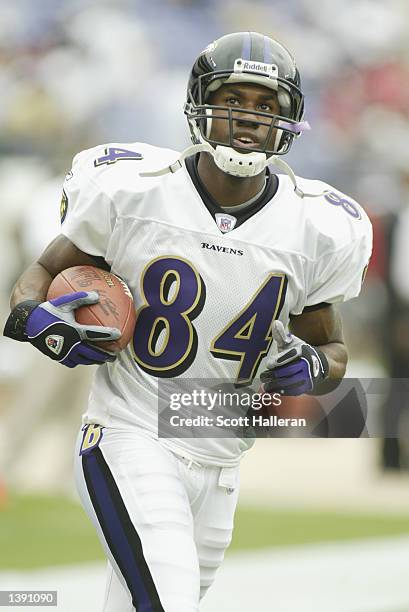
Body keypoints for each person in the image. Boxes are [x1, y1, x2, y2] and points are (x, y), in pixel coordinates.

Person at [3, 32, 372, 612]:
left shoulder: (320, 226)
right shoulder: (133, 189)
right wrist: (38, 320)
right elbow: (37, 276)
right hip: (130, 434)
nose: (249, 119)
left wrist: (314, 368)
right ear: (201, 104)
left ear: (290, 122)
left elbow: (334, 352)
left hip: (223, 458)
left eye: (267, 106)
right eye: (235, 98)